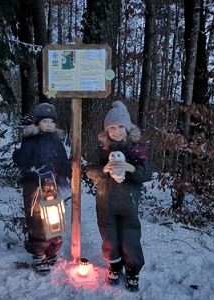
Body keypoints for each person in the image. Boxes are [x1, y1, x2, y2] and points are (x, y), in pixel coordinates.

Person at [86, 100, 152, 292]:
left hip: (128, 203)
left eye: (120, 126)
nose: (116, 131)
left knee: (130, 236)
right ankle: (114, 266)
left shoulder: (136, 149)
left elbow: (147, 173)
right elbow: (90, 170)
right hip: (106, 203)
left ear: (127, 128)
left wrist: (130, 168)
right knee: (109, 236)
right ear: (107, 130)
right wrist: (103, 169)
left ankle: (132, 270)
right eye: (112, 127)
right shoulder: (103, 150)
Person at [13, 102, 71, 276]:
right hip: (34, 187)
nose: (48, 125)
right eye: (45, 121)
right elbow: (21, 159)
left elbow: (63, 161)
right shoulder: (30, 141)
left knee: (54, 218)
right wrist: (34, 168)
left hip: (52, 186)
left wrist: (65, 174)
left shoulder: (57, 143)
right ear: (38, 123)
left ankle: (52, 250)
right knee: (37, 220)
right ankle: (39, 253)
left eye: (51, 122)